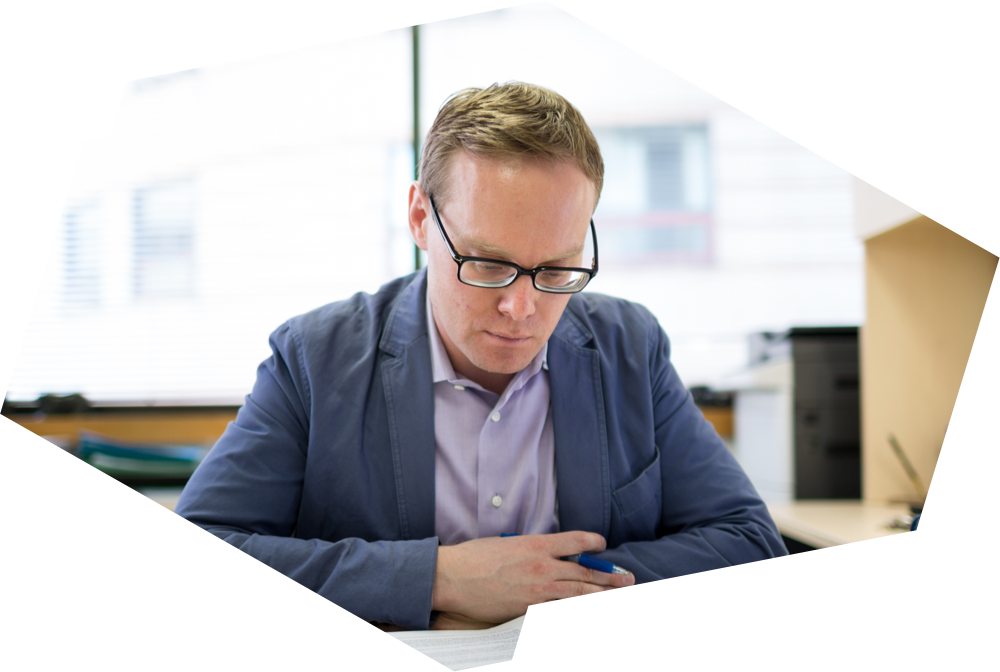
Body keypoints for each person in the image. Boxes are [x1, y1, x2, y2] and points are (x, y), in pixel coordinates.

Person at [174, 82, 788, 630]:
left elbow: (749, 540)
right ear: (420, 218)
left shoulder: (631, 347)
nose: (521, 308)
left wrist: (548, 584)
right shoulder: (313, 358)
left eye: (557, 269)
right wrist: (440, 577)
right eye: (488, 264)